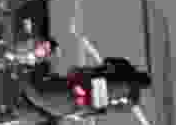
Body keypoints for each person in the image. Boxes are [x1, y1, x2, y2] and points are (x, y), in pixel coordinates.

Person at [15, 48, 150, 121]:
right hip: (79, 89)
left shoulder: (51, 110)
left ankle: (123, 98)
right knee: (79, 72)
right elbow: (44, 68)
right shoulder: (32, 89)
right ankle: (111, 72)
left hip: (84, 103)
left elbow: (78, 114)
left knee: (97, 105)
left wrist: (94, 111)